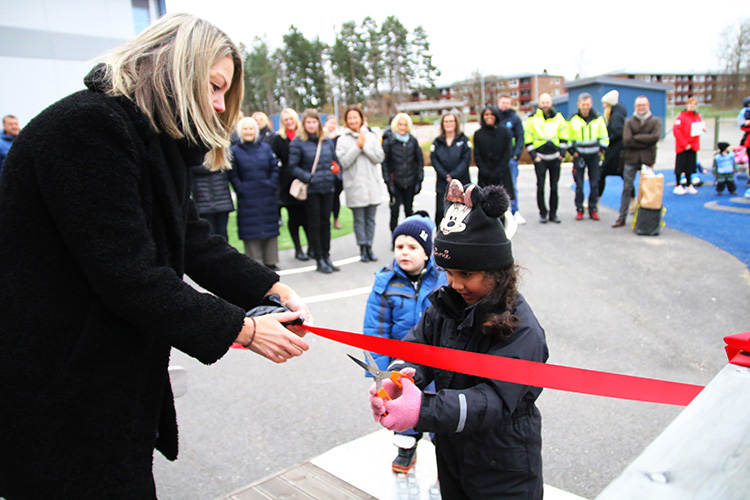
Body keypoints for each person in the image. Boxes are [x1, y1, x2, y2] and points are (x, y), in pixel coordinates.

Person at [0, 13, 312, 498]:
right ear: (175, 68)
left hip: (104, 384)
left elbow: (193, 239)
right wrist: (243, 328)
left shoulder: (151, 142)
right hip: (60, 385)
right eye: (213, 86)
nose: (218, 104)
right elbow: (127, 273)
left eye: (224, 94)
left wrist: (270, 287)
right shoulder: (88, 128)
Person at [368, 180, 548, 499]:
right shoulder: (446, 304)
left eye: (466, 275)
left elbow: (494, 400)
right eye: (448, 272)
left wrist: (422, 409)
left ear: (496, 270)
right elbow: (418, 346)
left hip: (503, 465)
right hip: (451, 450)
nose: (455, 283)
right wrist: (398, 375)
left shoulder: (522, 328)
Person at [363, 212, 447, 473]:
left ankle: (445, 459)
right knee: (401, 410)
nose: (404, 253)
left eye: (412, 247)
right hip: (400, 365)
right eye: (399, 246)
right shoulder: (385, 284)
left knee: (438, 410)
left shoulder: (443, 280)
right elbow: (375, 331)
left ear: (427, 253)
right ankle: (406, 449)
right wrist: (379, 372)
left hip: (437, 363)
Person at [289, 108, 339, 273]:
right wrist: (309, 178)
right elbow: (292, 167)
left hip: (327, 187)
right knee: (315, 224)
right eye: (308, 122)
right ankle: (319, 258)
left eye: (314, 121)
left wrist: (336, 172)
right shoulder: (297, 142)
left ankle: (327, 255)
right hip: (311, 189)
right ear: (304, 124)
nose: (311, 125)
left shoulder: (325, 140)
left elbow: (334, 159)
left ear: (318, 122)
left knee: (326, 222)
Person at [229, 116, 281, 270]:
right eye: (245, 129)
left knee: (270, 227)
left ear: (256, 131)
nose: (248, 131)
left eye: (251, 128)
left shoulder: (265, 148)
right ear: (240, 132)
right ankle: (255, 262)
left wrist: (271, 184)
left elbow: (274, 169)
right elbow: (233, 174)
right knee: (250, 230)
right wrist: (241, 188)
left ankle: (271, 259)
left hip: (267, 194)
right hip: (247, 197)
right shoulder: (235, 151)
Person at [336, 105, 385, 262]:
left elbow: (379, 157)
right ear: (346, 121)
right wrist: (357, 147)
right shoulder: (342, 140)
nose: (353, 120)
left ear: (361, 119)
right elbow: (344, 162)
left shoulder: (371, 136)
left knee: (371, 219)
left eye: (355, 117)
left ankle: (370, 246)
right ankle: (362, 247)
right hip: (355, 186)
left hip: (371, 185)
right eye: (350, 118)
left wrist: (365, 147)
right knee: (359, 219)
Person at [612, 96, 662, 228]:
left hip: (647, 159)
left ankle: (646, 218)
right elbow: (627, 140)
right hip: (631, 158)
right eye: (639, 105)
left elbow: (656, 137)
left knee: (648, 189)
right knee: (627, 188)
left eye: (643, 105)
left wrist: (637, 138)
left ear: (648, 106)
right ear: (635, 107)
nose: (641, 107)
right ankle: (621, 217)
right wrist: (647, 140)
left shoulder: (655, 121)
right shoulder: (629, 122)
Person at [272, 107, 310, 261]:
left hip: (305, 180)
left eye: (291, 119)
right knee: (294, 218)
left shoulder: (304, 136)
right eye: (285, 120)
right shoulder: (279, 138)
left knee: (307, 216)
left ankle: (311, 247)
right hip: (288, 183)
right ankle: (298, 248)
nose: (289, 122)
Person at [524, 92, 569, 223]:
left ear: (551, 103)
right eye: (543, 102)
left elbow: (564, 135)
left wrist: (562, 153)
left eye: (547, 102)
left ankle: (553, 214)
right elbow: (528, 138)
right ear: (539, 103)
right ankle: (543, 213)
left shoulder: (559, 118)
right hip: (540, 158)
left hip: (555, 158)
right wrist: (534, 156)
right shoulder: (532, 119)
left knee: (554, 187)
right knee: (541, 187)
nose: (545, 105)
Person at [568, 92, 609, 220]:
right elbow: (569, 138)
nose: (585, 107)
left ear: (591, 104)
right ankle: (579, 209)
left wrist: (602, 149)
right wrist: (572, 151)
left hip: (594, 156)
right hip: (579, 155)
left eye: (588, 104)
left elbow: (604, 135)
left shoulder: (598, 118)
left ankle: (592, 209)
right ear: (579, 105)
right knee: (579, 184)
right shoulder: (573, 119)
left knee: (594, 183)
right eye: (583, 104)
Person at [382, 113, 424, 232]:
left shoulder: (412, 141)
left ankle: (409, 235)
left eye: (405, 125)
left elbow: (420, 161)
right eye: (400, 124)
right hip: (395, 182)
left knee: (409, 210)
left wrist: (419, 180)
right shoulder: (389, 142)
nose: (402, 127)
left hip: (410, 181)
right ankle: (394, 236)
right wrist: (388, 183)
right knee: (394, 211)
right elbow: (384, 164)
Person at [430, 112, 471, 226]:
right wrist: (445, 176)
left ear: (456, 123)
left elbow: (466, 160)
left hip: (461, 182)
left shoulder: (463, 140)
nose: (449, 124)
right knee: (441, 212)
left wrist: (454, 175)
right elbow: (434, 160)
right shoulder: (437, 142)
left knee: (462, 212)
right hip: (443, 183)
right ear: (442, 124)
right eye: (446, 121)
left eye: (451, 121)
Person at [496, 95, 527, 224]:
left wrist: (516, 155)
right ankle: (497, 213)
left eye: (507, 103)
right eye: (503, 102)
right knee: (496, 186)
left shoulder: (514, 118)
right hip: (496, 159)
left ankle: (515, 211)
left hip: (510, 159)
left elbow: (520, 137)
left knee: (512, 186)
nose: (505, 105)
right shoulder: (494, 118)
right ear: (498, 103)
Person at [474, 105, 514, 199]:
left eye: (492, 114)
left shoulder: (505, 132)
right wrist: (486, 172)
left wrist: (498, 172)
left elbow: (507, 153)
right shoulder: (478, 134)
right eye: (486, 114)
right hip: (485, 175)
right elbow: (477, 155)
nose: (489, 117)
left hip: (501, 174)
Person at [599, 90, 628, 197]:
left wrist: (607, 141)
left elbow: (617, 132)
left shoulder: (615, 116)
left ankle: (595, 200)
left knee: (601, 174)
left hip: (614, 152)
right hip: (619, 151)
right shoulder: (618, 114)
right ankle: (632, 200)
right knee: (624, 175)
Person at [672, 97, 704, 195]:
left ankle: (689, 184)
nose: (692, 106)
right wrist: (684, 144)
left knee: (690, 166)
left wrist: (703, 129)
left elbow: (698, 130)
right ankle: (678, 185)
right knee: (680, 166)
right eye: (690, 104)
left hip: (693, 146)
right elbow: (677, 131)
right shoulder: (681, 117)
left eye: (694, 104)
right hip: (683, 147)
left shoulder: (697, 117)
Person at [325, 114, 344, 230]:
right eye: (330, 122)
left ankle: (336, 219)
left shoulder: (339, 138)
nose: (332, 125)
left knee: (336, 198)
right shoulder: (321, 136)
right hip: (325, 172)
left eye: (334, 123)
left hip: (337, 172)